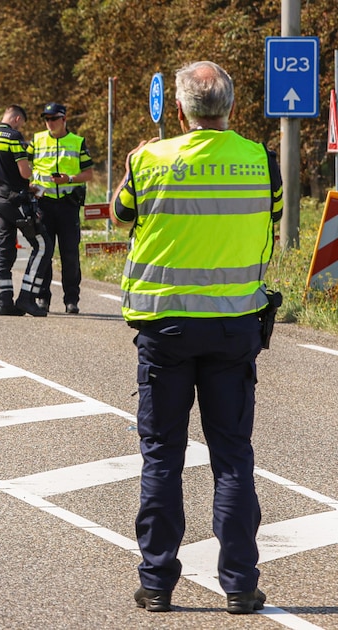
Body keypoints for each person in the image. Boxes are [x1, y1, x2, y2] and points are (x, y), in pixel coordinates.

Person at [112, 60, 282, 615]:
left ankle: (157, 585)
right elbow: (272, 225)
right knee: (232, 459)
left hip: (164, 328)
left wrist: (139, 158)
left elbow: (120, 215)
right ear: (231, 108)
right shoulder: (261, 160)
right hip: (235, 327)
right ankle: (239, 586)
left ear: (179, 109)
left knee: (162, 456)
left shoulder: (148, 159)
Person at [0, 104, 48, 317]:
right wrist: (30, 184)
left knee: (4, 248)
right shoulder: (14, 137)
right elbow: (24, 171)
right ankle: (27, 297)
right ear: (18, 119)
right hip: (15, 200)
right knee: (42, 244)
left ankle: (3, 300)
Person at [30, 102, 94, 314]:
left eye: (54, 119)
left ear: (64, 119)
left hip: (68, 205)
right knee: (44, 252)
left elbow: (89, 174)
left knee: (70, 254)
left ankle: (71, 299)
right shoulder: (37, 140)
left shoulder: (77, 141)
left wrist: (69, 179)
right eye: (46, 119)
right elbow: (24, 168)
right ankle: (42, 298)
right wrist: (32, 189)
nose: (49, 123)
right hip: (44, 203)